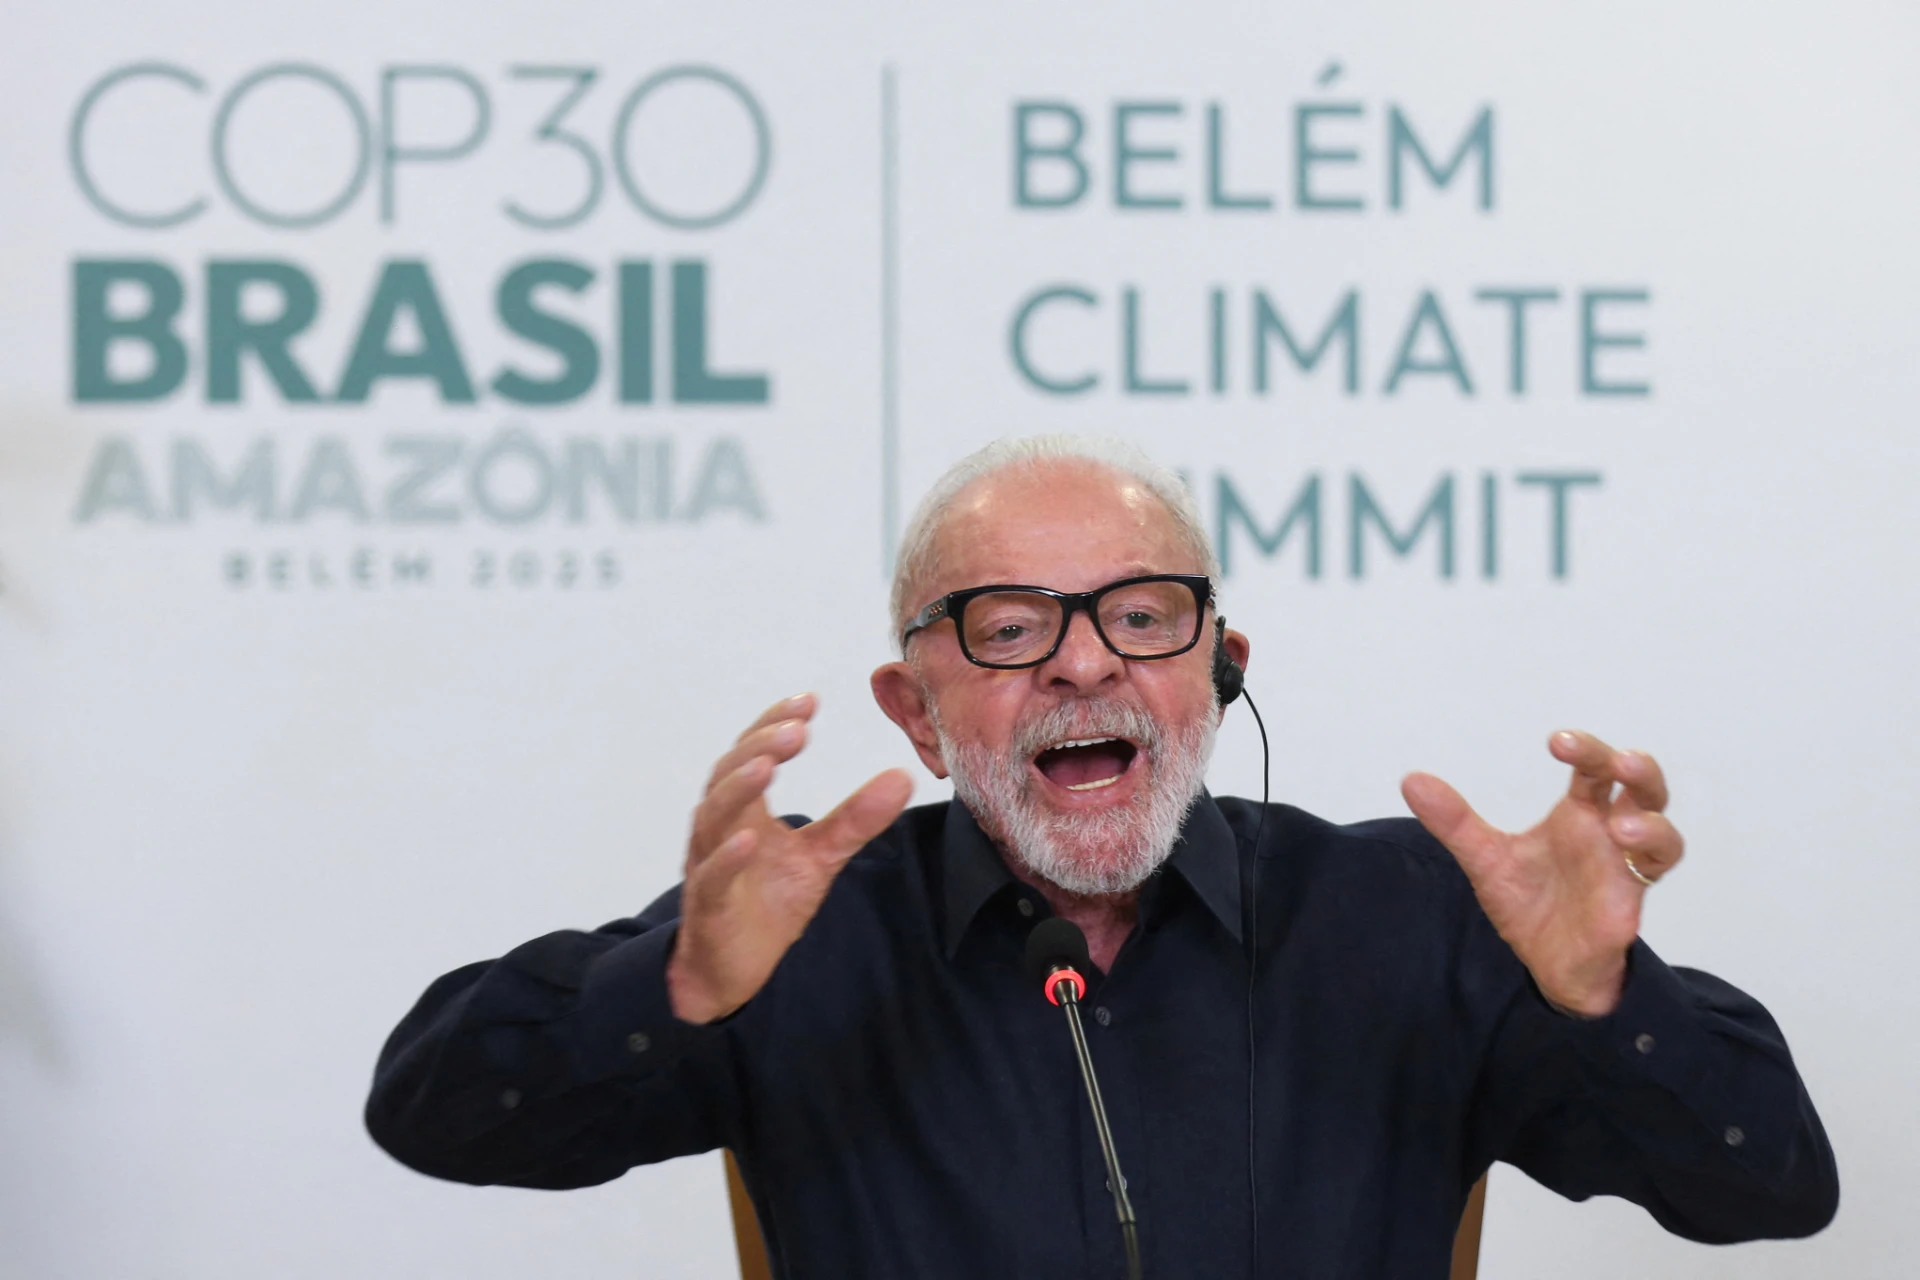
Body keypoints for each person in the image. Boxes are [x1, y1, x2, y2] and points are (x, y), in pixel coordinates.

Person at [366, 435, 1837, 1278]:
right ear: (919, 712)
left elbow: (1768, 1186)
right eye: (1008, 628)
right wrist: (674, 984)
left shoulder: (1410, 919)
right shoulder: (799, 925)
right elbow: (438, 1117)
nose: (1084, 667)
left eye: (1142, 615)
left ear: (1219, 668)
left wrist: (1604, 1002)